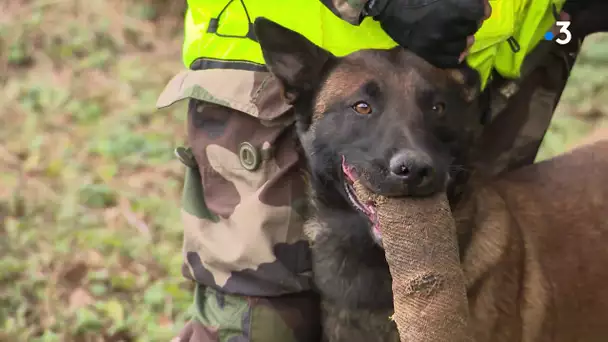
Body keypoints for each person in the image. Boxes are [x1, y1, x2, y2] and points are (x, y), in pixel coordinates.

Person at [157, 1, 605, 341]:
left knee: (474, 296)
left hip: (480, 76)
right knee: (261, 325)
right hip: (283, 66)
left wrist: (563, 20)